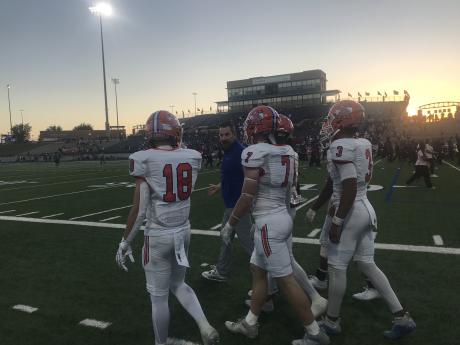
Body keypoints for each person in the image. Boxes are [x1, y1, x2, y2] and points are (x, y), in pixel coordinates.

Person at [223, 106, 330, 345]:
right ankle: (250, 323)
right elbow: (287, 192)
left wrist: (231, 223)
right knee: (258, 271)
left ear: (254, 128)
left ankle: (314, 334)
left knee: (285, 279)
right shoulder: (289, 152)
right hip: (281, 216)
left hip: (269, 223)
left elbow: (248, 195)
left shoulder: (255, 152)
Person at [313, 100, 416, 340]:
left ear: (342, 120)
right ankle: (402, 317)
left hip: (350, 209)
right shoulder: (363, 142)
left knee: (337, 268)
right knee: (368, 264)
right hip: (366, 207)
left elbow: (348, 186)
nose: (329, 124)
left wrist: (337, 221)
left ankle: (331, 321)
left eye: (333, 119)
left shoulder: (340, 145)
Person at [115, 111, 219, 345]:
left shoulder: (144, 158)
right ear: (175, 132)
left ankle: (161, 343)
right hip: (183, 231)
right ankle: (204, 325)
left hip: (158, 235)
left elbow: (140, 210)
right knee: (179, 283)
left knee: (158, 298)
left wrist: (125, 241)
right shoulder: (192, 156)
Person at [202, 123, 254, 282]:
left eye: (226, 134)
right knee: (225, 238)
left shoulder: (241, 153)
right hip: (231, 205)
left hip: (239, 207)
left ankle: (272, 277)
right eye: (221, 135)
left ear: (234, 135)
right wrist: (219, 187)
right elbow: (232, 177)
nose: (223, 138)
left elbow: (251, 179)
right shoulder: (230, 152)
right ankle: (222, 270)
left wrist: (245, 203)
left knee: (250, 245)